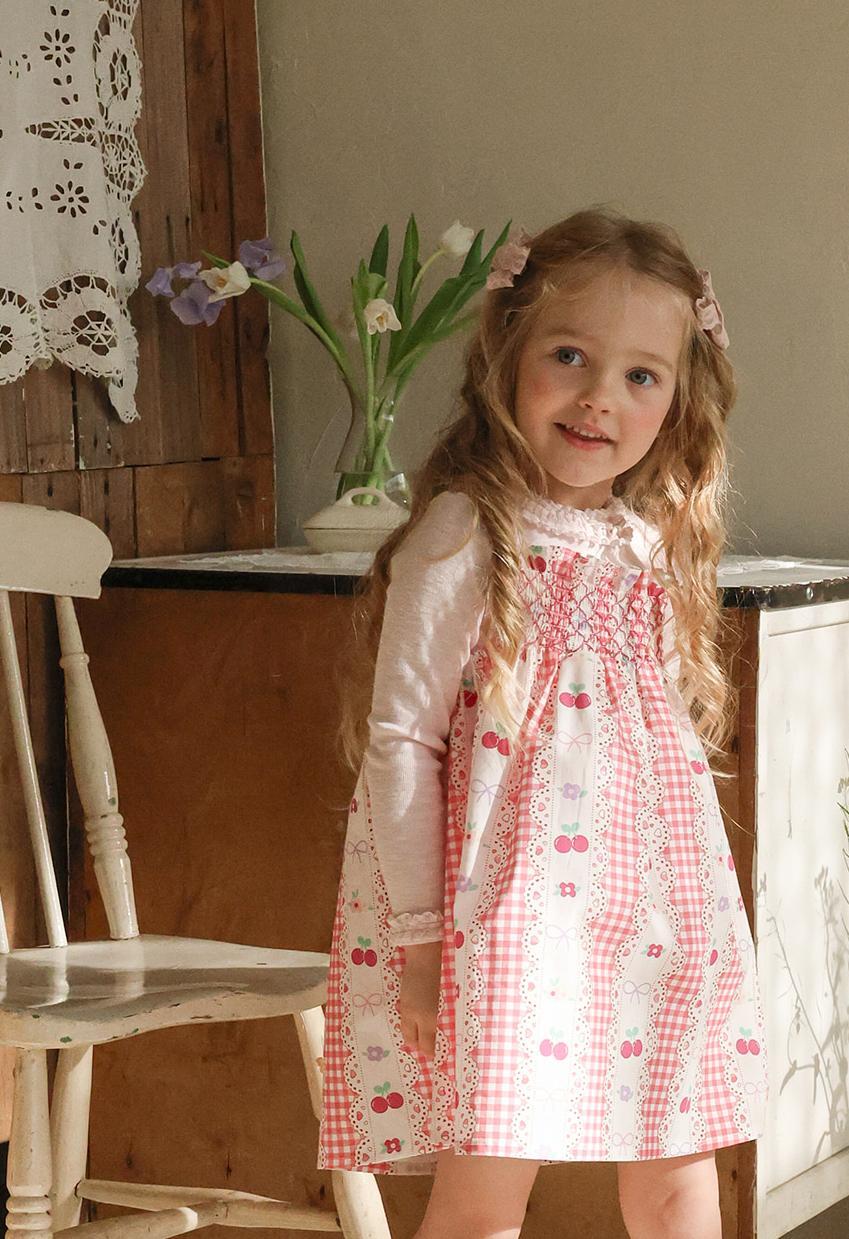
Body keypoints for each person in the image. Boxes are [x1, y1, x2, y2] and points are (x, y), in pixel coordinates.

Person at [316, 205, 769, 1239]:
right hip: (508, 926)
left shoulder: (646, 544)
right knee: (487, 1185)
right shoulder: (465, 532)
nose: (599, 396)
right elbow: (402, 743)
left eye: (641, 375)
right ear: (507, 356)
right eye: (570, 356)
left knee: (677, 1169)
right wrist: (421, 940)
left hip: (659, 917)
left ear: (678, 399)